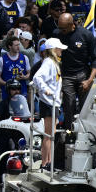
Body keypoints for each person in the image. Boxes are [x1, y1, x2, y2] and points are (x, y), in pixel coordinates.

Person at [32, 37, 67, 170]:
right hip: (48, 103)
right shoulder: (48, 62)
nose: (61, 51)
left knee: (50, 135)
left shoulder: (53, 63)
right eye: (59, 48)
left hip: (53, 103)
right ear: (54, 49)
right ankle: (45, 163)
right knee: (48, 135)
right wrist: (45, 89)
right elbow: (37, 77)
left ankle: (47, 162)